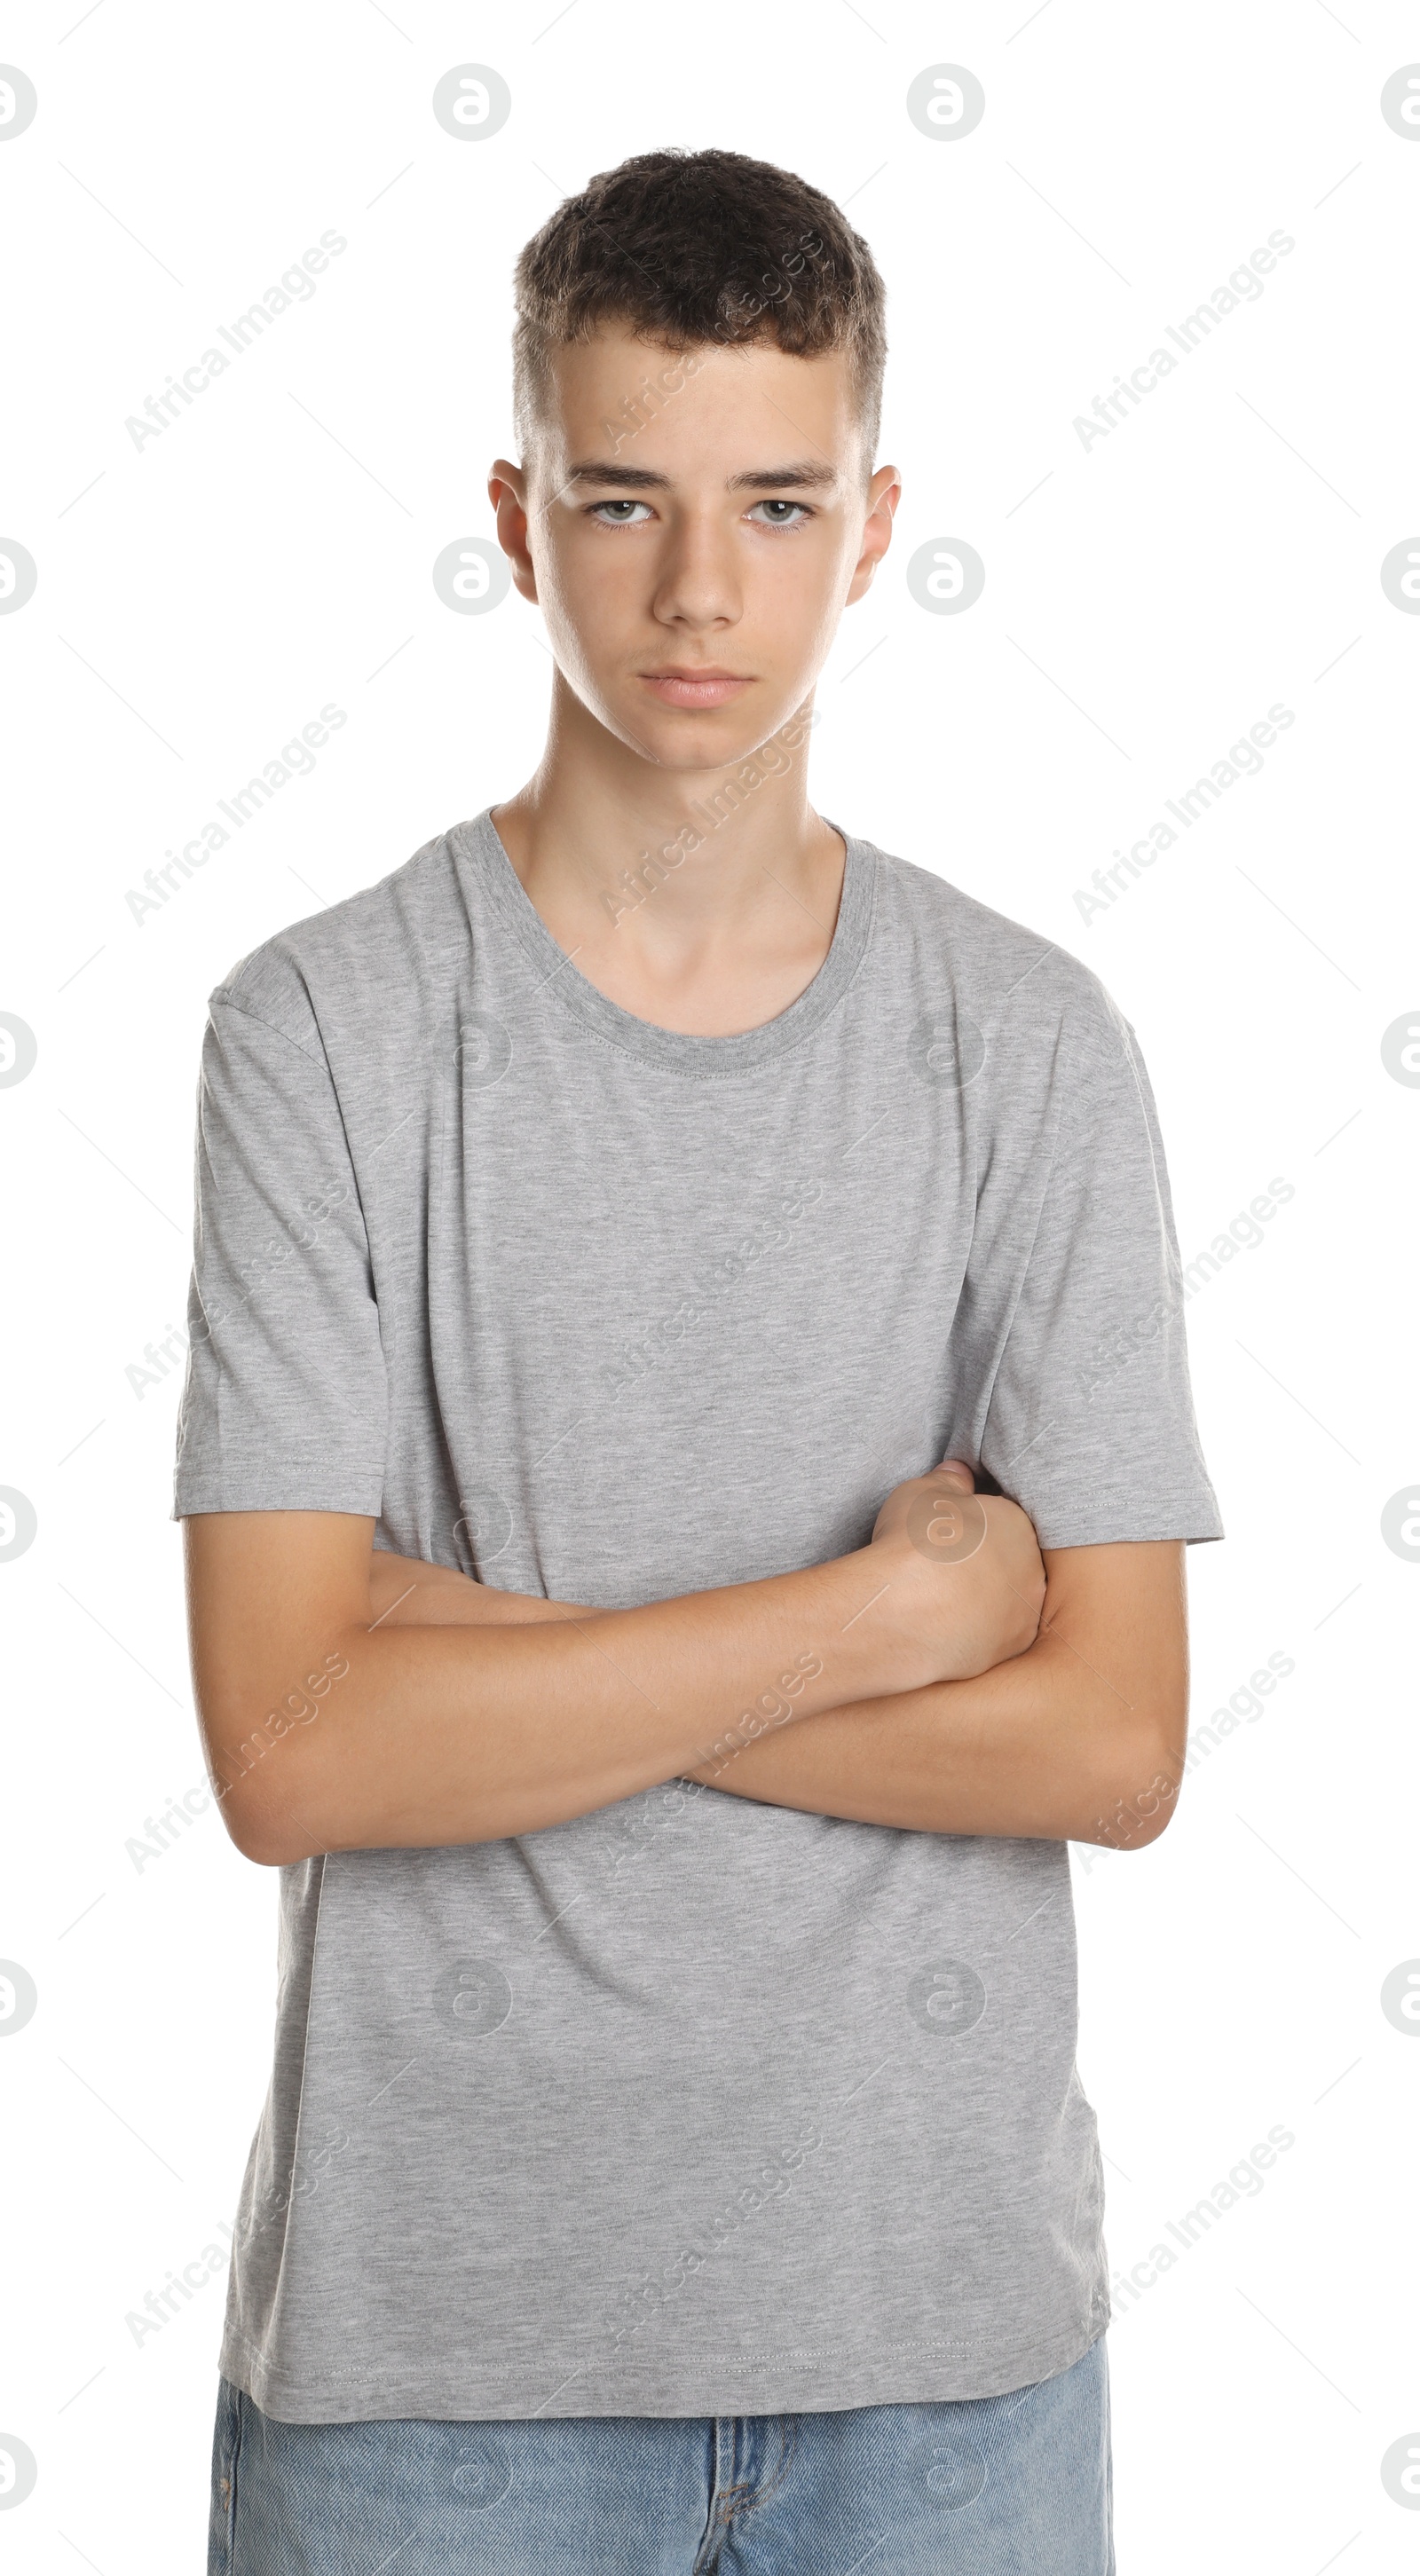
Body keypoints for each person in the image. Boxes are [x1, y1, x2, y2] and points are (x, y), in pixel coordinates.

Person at [178, 146, 1220, 2576]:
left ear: (874, 525)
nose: (697, 589)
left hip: (946, 2366)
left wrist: (476, 1646)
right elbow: (292, 1747)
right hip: (442, 2381)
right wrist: (886, 1615)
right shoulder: (320, 1034)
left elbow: (1115, 1742)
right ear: (520, 518)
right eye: (622, 498)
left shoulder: (1032, 1047)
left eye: (776, 502)